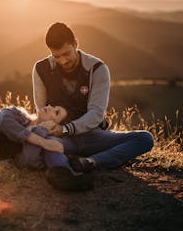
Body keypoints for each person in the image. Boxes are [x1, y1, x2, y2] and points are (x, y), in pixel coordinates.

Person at [32, 22, 154, 189]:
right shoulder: (40, 69)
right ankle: (67, 176)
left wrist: (67, 128)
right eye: (57, 56)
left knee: (144, 138)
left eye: (67, 53)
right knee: (48, 145)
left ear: (76, 43)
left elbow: (96, 113)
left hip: (91, 136)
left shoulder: (97, 69)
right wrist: (51, 130)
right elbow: (41, 111)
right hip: (61, 138)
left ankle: (89, 162)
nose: (63, 60)